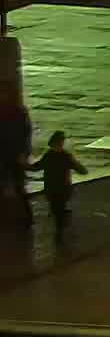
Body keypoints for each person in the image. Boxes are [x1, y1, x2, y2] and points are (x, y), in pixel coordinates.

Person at [28, 131, 87, 238]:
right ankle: (63, 221)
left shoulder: (50, 155)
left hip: (56, 189)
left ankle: (59, 231)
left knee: (57, 209)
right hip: (60, 188)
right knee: (57, 209)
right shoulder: (64, 156)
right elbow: (81, 170)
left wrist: (24, 165)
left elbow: (36, 167)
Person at [1, 94, 28, 229]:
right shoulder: (19, 111)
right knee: (18, 186)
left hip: (9, 153)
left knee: (16, 185)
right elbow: (25, 133)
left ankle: (22, 217)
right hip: (13, 153)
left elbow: (24, 133)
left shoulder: (17, 112)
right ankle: (25, 217)